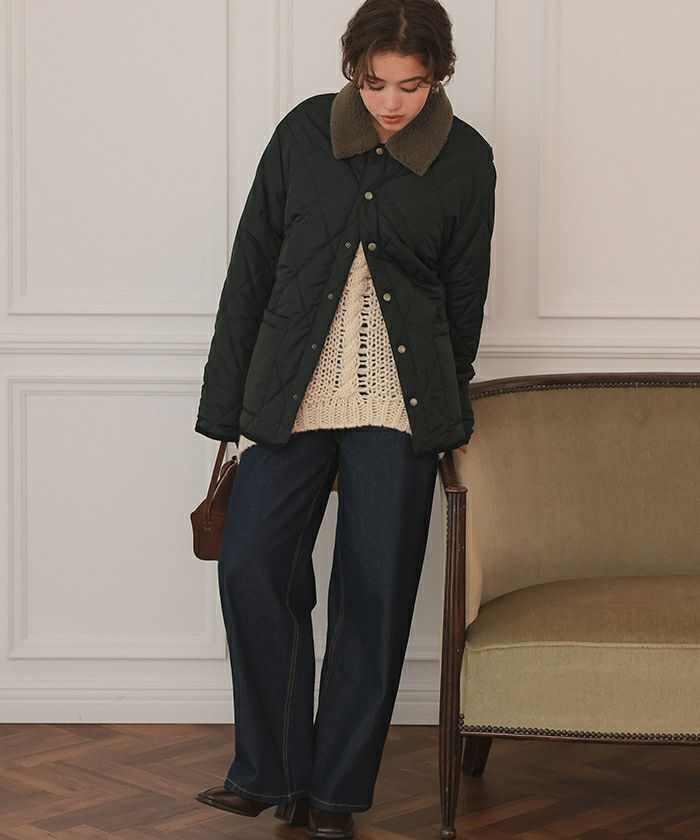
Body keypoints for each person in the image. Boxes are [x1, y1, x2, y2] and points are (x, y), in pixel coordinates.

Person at [193, 1, 496, 837]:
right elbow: (251, 271)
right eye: (374, 83)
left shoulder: (466, 159)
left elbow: (464, 294)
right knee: (251, 565)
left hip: (400, 408)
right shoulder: (301, 135)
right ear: (352, 70)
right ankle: (273, 772)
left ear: (439, 76)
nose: (391, 102)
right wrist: (227, 408)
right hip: (290, 395)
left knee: (375, 593)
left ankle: (333, 796)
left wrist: (448, 403)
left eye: (411, 84)